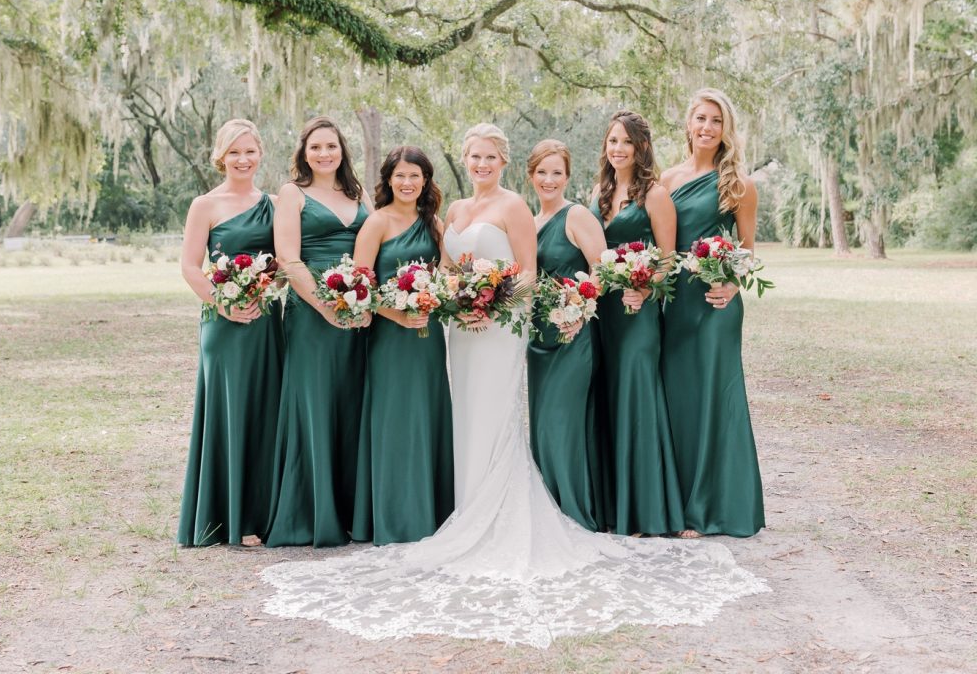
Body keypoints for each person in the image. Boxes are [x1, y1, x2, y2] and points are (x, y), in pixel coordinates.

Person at [261, 124, 768, 647]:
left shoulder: (515, 208)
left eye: (490, 157)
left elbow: (527, 272)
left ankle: (499, 512)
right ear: (465, 159)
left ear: (504, 162)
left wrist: (491, 301)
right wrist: (457, 298)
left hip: (500, 328)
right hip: (460, 330)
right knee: (464, 414)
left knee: (494, 411)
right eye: (474, 156)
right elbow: (444, 269)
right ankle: (464, 507)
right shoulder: (454, 212)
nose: (481, 164)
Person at [660, 88, 765, 538]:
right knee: (678, 397)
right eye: (701, 118)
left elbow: (748, 249)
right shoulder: (666, 179)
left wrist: (731, 283)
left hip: (715, 302)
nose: (707, 127)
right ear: (688, 123)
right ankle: (674, 500)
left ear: (726, 130)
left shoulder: (738, 184)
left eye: (716, 121)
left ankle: (705, 509)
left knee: (712, 397)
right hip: (674, 303)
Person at [265, 116, 371, 547]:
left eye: (331, 146)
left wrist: (366, 301)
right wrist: (326, 307)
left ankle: (353, 511)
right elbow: (288, 259)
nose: (324, 154)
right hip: (312, 314)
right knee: (315, 402)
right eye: (316, 147)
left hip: (358, 313)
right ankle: (311, 513)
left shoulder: (358, 194)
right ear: (304, 153)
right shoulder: (293, 194)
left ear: (342, 150)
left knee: (352, 402)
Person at [177, 119, 283, 547]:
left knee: (265, 412)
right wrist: (224, 303)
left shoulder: (276, 204)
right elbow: (189, 266)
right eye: (234, 152)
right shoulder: (205, 205)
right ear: (221, 157)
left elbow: (286, 262)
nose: (243, 159)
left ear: (260, 154)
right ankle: (229, 518)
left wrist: (266, 286)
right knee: (229, 410)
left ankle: (262, 513)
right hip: (222, 324)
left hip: (265, 321)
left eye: (250, 151)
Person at [349, 146, 454, 545]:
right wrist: (398, 314)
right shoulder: (376, 223)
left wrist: (431, 299)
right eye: (400, 176)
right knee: (394, 418)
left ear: (425, 181)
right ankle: (394, 516)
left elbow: (447, 275)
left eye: (415, 176)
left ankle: (430, 512)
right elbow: (358, 288)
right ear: (388, 180)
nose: (407, 183)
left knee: (426, 414)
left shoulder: (435, 224)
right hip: (390, 337)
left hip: (427, 337)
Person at [591, 111, 684, 537]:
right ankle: (613, 506)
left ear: (642, 146)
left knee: (636, 396)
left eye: (626, 141)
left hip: (636, 314)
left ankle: (645, 510)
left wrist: (645, 289)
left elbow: (669, 258)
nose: (618, 148)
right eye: (613, 140)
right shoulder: (599, 192)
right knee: (607, 397)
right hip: (601, 313)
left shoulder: (656, 195)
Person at [525, 139, 607, 531]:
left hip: (572, 336)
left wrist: (581, 310)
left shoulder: (577, 216)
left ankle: (574, 516)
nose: (549, 179)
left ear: (567, 177)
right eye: (542, 172)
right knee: (542, 428)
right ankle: (549, 512)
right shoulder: (529, 222)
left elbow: (601, 268)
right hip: (537, 341)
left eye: (557, 172)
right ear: (530, 175)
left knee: (562, 426)